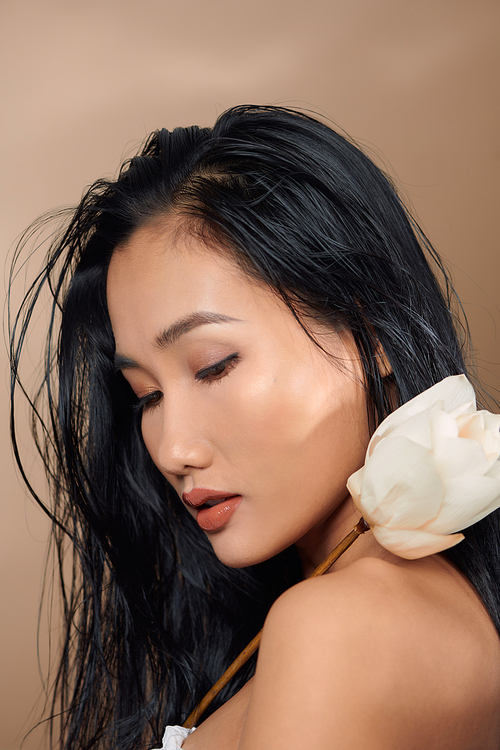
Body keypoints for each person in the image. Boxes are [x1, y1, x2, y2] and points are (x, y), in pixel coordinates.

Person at [9, 104, 500, 750]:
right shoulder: (392, 608)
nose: (174, 449)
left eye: (213, 367)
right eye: (145, 397)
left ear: (370, 333)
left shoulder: (337, 630)